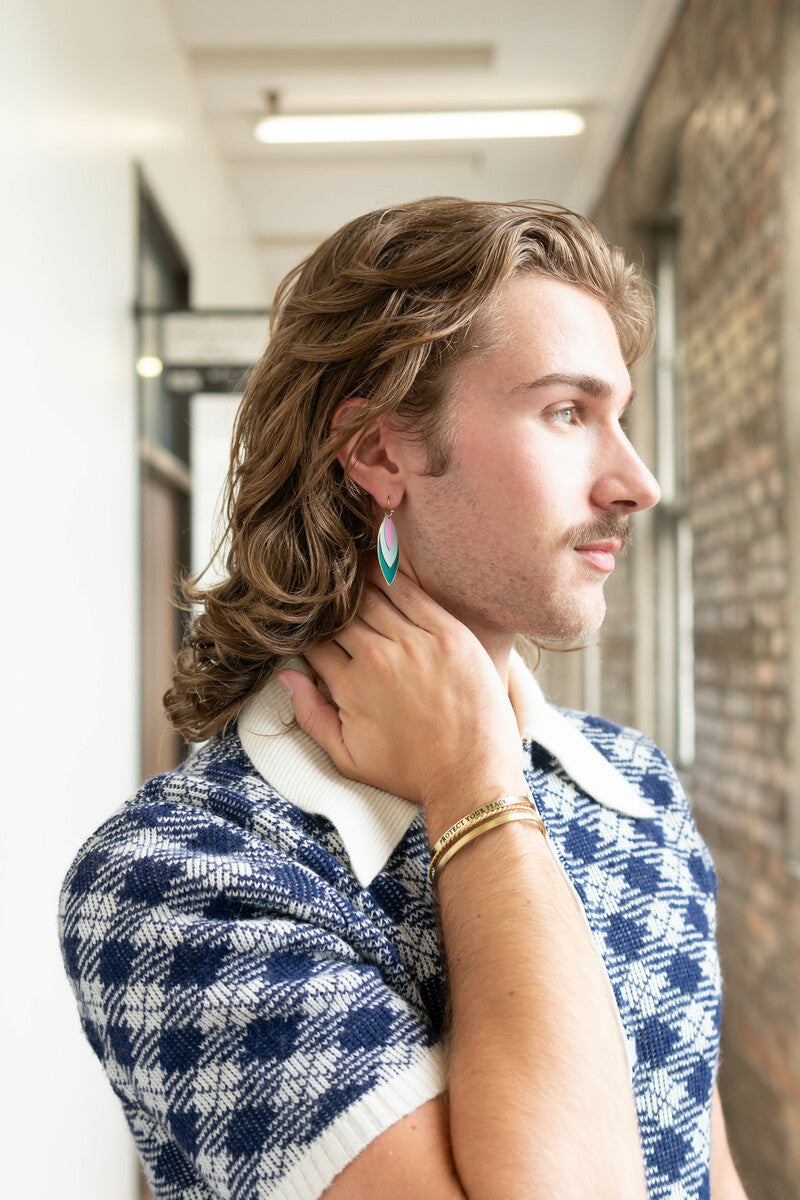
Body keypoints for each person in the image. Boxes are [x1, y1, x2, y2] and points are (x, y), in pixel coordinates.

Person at [58, 197, 748, 1199]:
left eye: (621, 418)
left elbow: (704, 1169)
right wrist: (474, 790)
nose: (634, 481)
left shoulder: (630, 789)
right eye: (566, 411)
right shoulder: (180, 880)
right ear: (380, 453)